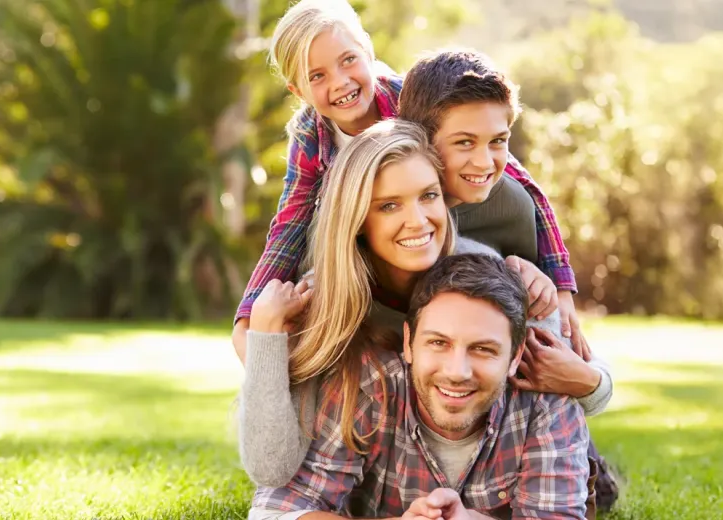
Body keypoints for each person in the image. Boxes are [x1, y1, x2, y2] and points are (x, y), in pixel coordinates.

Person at [236, 120, 618, 513]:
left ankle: (593, 475)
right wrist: (265, 336)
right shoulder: (324, 308)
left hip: (510, 448)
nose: (418, 221)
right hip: (388, 450)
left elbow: (556, 380)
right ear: (357, 219)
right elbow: (272, 471)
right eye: (388, 205)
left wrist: (589, 383)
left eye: (429, 196)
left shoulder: (490, 276)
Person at [230, 0, 581, 364]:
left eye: (348, 60)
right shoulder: (309, 134)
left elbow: (523, 182)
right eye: (317, 76)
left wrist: (562, 283)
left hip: (442, 229)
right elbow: (289, 223)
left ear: (367, 50)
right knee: (314, 239)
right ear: (298, 90)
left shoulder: (406, 101)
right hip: (371, 251)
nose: (340, 82)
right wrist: (248, 313)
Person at [248, 253, 592, 520]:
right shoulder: (369, 385)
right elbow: (275, 511)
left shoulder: (549, 405)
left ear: (516, 356)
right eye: (438, 343)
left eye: (483, 349)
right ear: (409, 343)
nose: (457, 372)